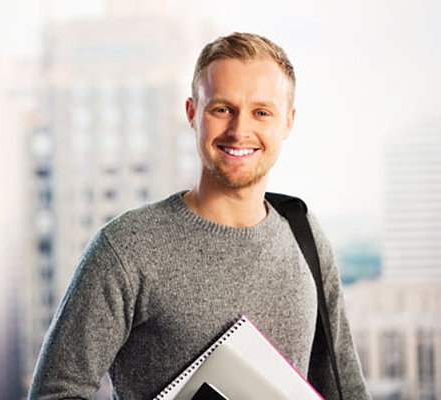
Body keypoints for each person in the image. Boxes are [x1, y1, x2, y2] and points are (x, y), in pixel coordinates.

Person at [28, 32, 369, 400]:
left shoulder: (306, 237)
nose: (240, 131)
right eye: (222, 109)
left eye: (261, 112)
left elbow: (344, 389)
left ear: (288, 122)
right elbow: (55, 393)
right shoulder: (127, 248)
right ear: (192, 114)